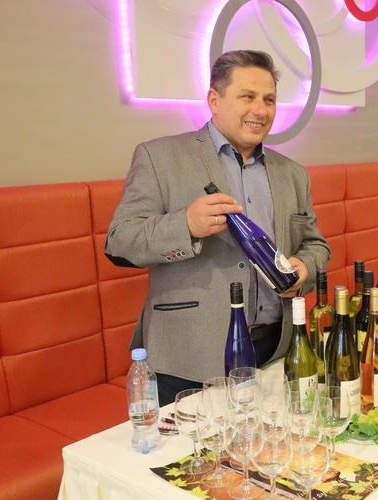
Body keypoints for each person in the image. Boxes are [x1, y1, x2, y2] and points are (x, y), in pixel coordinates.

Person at [105, 50, 330, 406]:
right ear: (214, 100)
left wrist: (304, 268)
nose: (260, 110)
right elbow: (120, 242)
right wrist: (186, 224)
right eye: (247, 97)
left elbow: (316, 245)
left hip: (275, 349)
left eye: (269, 100)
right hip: (188, 356)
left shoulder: (293, 173)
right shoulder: (159, 157)